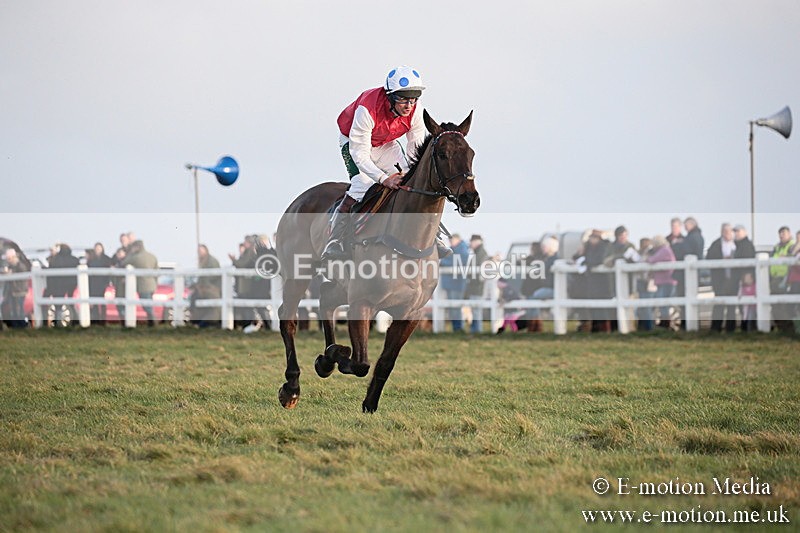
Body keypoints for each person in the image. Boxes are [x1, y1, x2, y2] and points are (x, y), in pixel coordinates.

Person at [321, 66, 450, 261]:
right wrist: (383, 179)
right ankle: (335, 239)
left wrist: (411, 174)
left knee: (412, 182)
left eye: (413, 98)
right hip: (354, 143)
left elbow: (415, 150)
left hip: (385, 144)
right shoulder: (368, 108)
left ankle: (434, 234)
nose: (409, 105)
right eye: (403, 99)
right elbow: (360, 154)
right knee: (362, 185)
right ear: (390, 97)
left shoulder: (415, 110)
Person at [522, 235, 560, 333]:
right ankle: (534, 325)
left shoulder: (552, 259)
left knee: (534, 297)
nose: (543, 248)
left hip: (552, 288)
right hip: (548, 287)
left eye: (545, 246)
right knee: (533, 297)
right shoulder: (548, 259)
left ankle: (534, 326)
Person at [706, 223, 737, 332]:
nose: (727, 233)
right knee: (719, 304)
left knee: (732, 305)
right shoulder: (716, 244)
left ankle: (731, 328)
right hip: (720, 279)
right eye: (725, 231)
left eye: (729, 231)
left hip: (733, 279)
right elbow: (709, 258)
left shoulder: (736, 244)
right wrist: (722, 259)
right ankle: (716, 327)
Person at [121, 240, 159, 326]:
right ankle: (151, 323)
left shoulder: (136, 257)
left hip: (143, 285)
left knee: (147, 306)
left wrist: (130, 253)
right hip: (152, 284)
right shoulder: (152, 256)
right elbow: (157, 271)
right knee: (149, 304)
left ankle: (153, 321)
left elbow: (124, 262)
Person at [42, 243, 80, 326]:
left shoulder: (56, 260)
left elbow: (50, 273)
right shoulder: (74, 260)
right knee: (70, 304)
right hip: (71, 285)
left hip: (57, 286)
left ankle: (56, 323)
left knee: (57, 306)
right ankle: (75, 322)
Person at [439, 234, 469, 332]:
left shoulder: (462, 250)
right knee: (453, 306)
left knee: (456, 306)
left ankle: (458, 327)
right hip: (452, 283)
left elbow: (459, 262)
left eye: (452, 240)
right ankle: (456, 327)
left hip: (457, 283)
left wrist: (444, 263)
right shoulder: (455, 249)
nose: (450, 242)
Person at [646, 235, 677, 329]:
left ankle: (665, 324)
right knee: (663, 302)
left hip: (666, 281)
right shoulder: (665, 250)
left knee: (663, 303)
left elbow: (652, 260)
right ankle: (665, 322)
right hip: (664, 281)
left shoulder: (664, 250)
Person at [770, 226, 795, 332]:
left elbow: (793, 258)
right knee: (775, 305)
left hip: (786, 279)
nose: (781, 235)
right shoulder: (776, 247)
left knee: (784, 305)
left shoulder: (792, 246)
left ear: (789, 234)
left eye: (784, 233)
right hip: (775, 279)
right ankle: (782, 328)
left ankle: (789, 328)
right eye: (780, 233)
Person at [464, 234, 489, 333]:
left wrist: (471, 278)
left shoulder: (480, 254)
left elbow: (479, 272)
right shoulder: (480, 253)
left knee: (476, 310)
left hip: (477, 287)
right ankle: (476, 330)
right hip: (476, 286)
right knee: (475, 309)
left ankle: (477, 330)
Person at [192, 244, 221, 327]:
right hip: (205, 288)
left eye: (201, 251)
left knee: (212, 309)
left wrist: (203, 285)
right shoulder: (203, 261)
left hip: (210, 289)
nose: (199, 253)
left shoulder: (211, 261)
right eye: (198, 251)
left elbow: (214, 276)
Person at [2, 248, 29, 328]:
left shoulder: (20, 266)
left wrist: (11, 273)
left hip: (19, 291)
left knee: (19, 311)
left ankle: (21, 327)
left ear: (14, 257)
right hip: (12, 292)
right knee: (13, 311)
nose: (8, 260)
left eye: (9, 259)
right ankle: (16, 327)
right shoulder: (12, 266)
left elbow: (21, 278)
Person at [86, 242, 112, 324]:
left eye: (99, 248)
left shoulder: (106, 259)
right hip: (93, 283)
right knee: (94, 303)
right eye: (96, 248)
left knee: (102, 303)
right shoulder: (91, 260)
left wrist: (107, 283)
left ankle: (103, 320)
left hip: (102, 283)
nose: (98, 250)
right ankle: (95, 320)